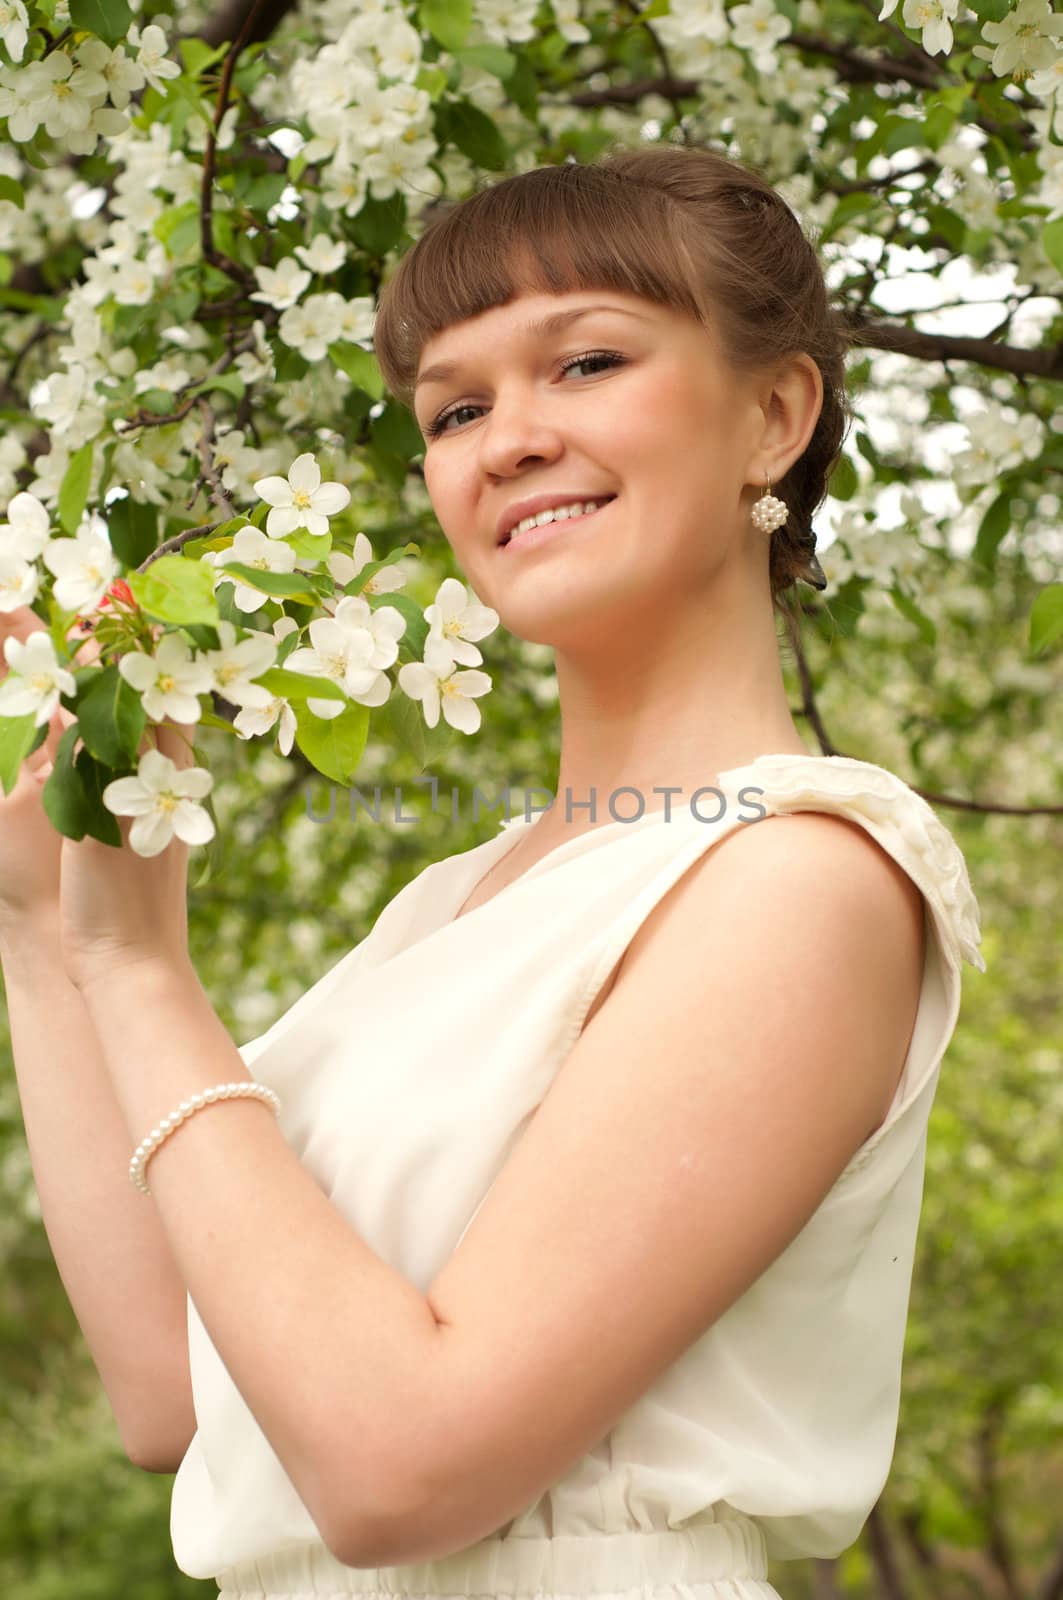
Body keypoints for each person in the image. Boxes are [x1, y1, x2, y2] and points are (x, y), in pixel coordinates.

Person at [0, 146, 984, 1600]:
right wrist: (46, 923)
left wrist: (148, 972)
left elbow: (400, 1465)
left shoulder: (805, 874)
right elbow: (174, 1388)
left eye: (583, 361)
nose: (506, 439)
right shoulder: (447, 909)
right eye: (455, 408)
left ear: (775, 413)